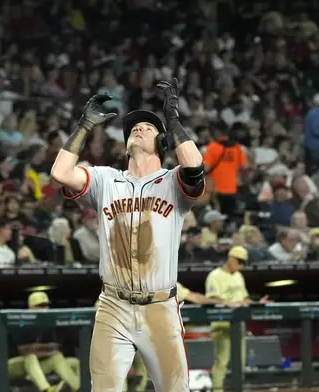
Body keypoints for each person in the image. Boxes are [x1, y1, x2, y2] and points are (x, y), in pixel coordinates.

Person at [50, 78, 206, 391]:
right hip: (113, 306)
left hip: (160, 307)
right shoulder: (105, 179)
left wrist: (172, 120)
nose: (139, 128)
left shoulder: (173, 181)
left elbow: (194, 166)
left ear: (162, 143)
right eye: (134, 128)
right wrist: (84, 125)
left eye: (148, 127)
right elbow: (60, 173)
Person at [123, 282, 228, 392]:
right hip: (132, 331)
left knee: (140, 374)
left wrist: (222, 301)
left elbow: (194, 297)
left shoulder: (164, 281)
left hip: (140, 332)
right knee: (126, 373)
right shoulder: (139, 280)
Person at [205, 246, 269, 391]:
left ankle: (237, 388)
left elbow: (244, 298)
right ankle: (217, 389)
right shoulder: (215, 275)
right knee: (222, 360)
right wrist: (229, 303)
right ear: (230, 258)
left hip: (238, 323)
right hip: (222, 323)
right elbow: (212, 298)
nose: (241, 265)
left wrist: (257, 303)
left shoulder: (239, 276)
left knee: (240, 361)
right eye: (239, 261)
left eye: (243, 262)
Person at [8, 292, 80, 392]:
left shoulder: (46, 325)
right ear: (30, 307)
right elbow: (24, 351)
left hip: (33, 368)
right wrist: (45, 349)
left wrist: (39, 349)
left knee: (70, 361)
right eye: (40, 306)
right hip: (11, 366)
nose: (44, 308)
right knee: (30, 357)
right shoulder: (21, 322)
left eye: (46, 305)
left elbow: (54, 348)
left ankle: (77, 387)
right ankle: (46, 389)